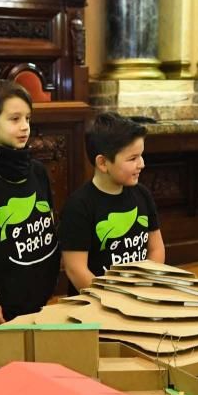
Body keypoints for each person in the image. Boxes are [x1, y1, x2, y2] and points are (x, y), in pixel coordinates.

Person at [0, 80, 60, 324]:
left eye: (27, 118)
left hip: (41, 298)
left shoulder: (38, 172)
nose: (25, 127)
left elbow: (48, 226)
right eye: (14, 119)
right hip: (2, 304)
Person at [59, 112, 164, 292]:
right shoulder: (79, 206)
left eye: (141, 155)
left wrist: (146, 286)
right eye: (132, 158)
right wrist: (114, 299)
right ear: (103, 163)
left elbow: (156, 248)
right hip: (96, 306)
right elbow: (76, 269)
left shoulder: (143, 195)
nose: (142, 164)